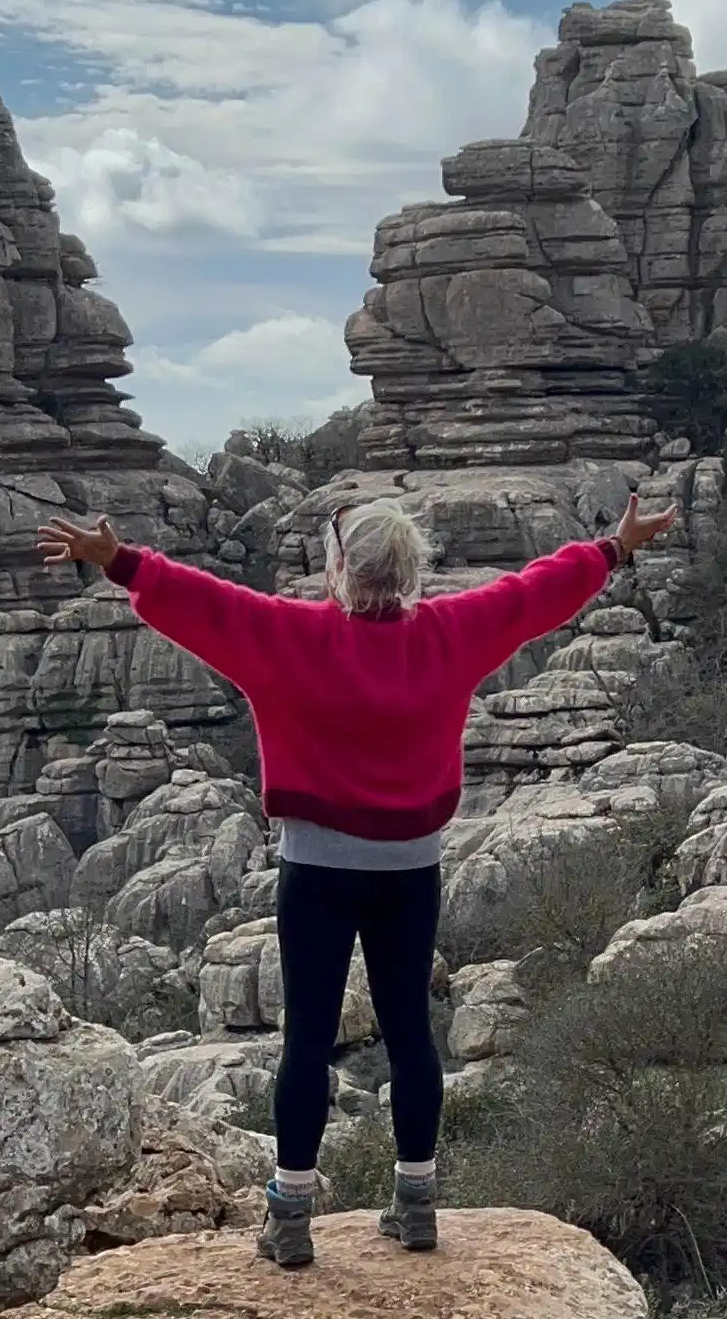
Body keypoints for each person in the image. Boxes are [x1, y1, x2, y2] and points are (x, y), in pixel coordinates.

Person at [36, 492, 677, 1265]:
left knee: (305, 1040)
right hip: (410, 868)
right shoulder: (453, 633)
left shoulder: (289, 637)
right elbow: (532, 593)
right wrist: (613, 546)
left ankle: (291, 1216)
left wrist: (120, 561)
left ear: (338, 568)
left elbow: (206, 604)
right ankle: (415, 1205)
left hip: (317, 868)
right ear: (412, 573)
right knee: (410, 1034)